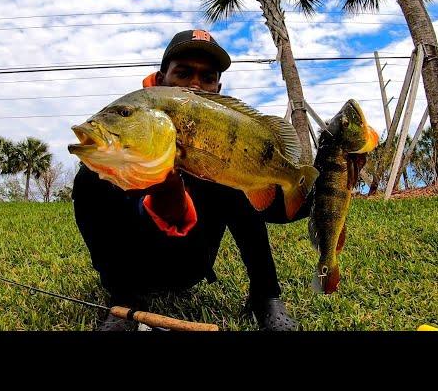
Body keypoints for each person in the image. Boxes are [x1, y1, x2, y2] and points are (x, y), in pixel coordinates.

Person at [72, 29, 313, 332]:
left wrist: (331, 180)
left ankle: (266, 297)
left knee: (235, 181)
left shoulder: (226, 147)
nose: (195, 85)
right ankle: (124, 298)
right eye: (183, 74)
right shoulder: (136, 135)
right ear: (160, 82)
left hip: (191, 267)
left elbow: (277, 210)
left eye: (207, 78)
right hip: (135, 268)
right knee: (89, 177)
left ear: (218, 87)